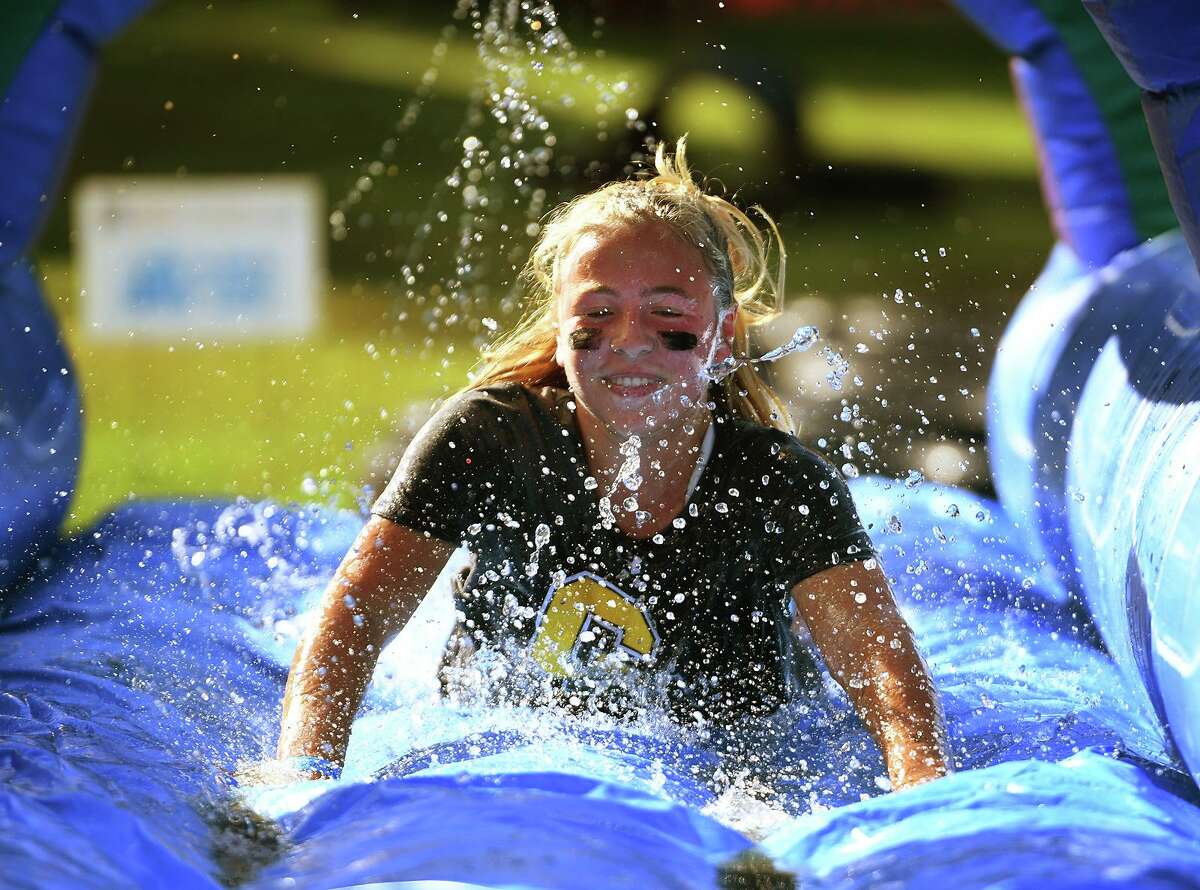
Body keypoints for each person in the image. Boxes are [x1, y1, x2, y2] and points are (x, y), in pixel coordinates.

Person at [273, 140, 950, 792]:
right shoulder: (488, 439)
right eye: (599, 314)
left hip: (737, 753)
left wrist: (918, 784)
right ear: (562, 334)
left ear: (722, 339)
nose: (629, 343)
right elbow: (352, 620)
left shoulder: (778, 487)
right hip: (504, 731)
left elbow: (881, 666)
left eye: (666, 317)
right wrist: (304, 773)